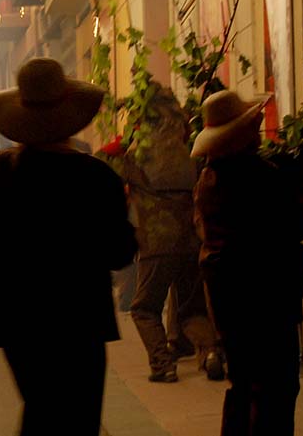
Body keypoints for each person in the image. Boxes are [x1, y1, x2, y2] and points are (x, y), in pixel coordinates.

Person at [0, 58, 137, 435]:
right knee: (78, 420)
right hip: (81, 321)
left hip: (19, 320)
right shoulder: (97, 177)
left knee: (40, 410)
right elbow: (121, 254)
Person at [192, 90, 303, 436]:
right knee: (275, 389)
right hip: (266, 300)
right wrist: (298, 182)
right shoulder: (262, 176)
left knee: (243, 384)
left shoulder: (208, 178)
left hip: (227, 300)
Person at [111, 86, 223, 383]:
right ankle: (211, 352)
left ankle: (162, 364)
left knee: (144, 308)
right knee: (191, 308)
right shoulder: (190, 153)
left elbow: (106, 175)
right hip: (191, 241)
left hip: (156, 242)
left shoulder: (135, 157)